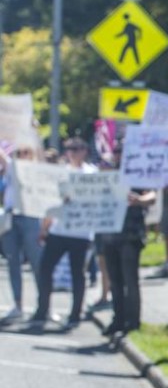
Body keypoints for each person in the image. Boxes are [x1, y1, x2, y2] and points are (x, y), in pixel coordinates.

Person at [30, 138, 98, 329]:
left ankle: (75, 314)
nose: (73, 153)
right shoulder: (62, 173)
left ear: (85, 151)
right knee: (45, 268)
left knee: (78, 273)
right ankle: (42, 310)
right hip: (59, 230)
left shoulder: (92, 173)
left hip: (81, 232)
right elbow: (51, 203)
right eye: (70, 149)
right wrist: (44, 228)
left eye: (77, 149)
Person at [99, 144, 155, 338]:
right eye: (116, 152)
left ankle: (133, 321)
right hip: (110, 235)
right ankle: (118, 319)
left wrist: (139, 200)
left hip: (130, 235)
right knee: (115, 280)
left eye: (121, 152)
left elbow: (152, 195)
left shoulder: (137, 173)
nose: (118, 155)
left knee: (130, 279)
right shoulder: (107, 175)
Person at [0, 146, 43, 323]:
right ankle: (17, 305)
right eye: (20, 152)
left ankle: (43, 305)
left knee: (36, 262)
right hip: (12, 217)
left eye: (26, 152)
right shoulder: (12, 167)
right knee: (13, 261)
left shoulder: (38, 169)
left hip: (31, 217)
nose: (23, 155)